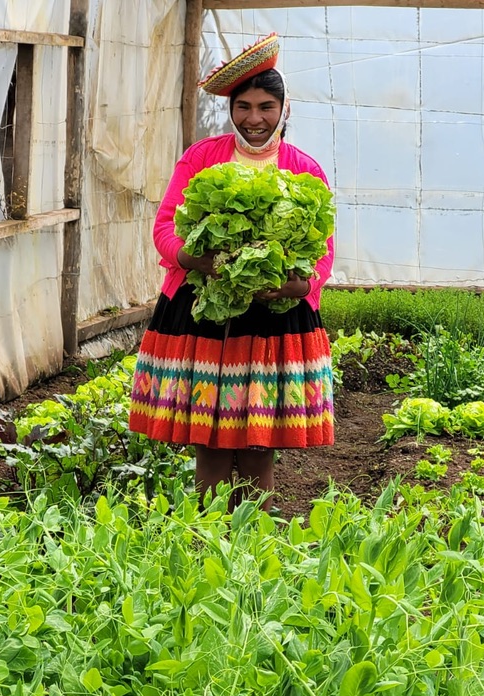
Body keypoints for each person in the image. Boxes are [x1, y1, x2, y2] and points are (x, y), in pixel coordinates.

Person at [129, 32, 334, 511]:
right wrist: (195, 260)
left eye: (265, 107)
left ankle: (252, 536)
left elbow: (323, 252)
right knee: (211, 443)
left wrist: (299, 285)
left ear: (284, 109)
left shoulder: (305, 169)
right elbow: (165, 228)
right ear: (231, 109)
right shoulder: (201, 158)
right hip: (206, 314)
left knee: (259, 445)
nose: (254, 119)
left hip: (273, 318)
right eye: (243, 107)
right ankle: (208, 536)